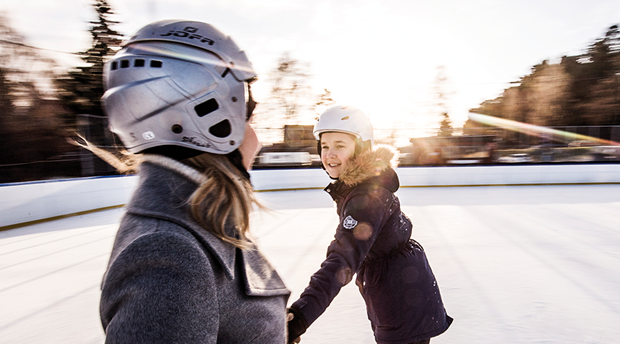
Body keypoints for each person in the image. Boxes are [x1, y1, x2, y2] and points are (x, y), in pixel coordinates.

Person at [94, 20, 291, 343]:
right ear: (210, 120)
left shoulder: (195, 224)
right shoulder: (168, 254)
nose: (257, 138)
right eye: (249, 118)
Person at [287, 106, 453, 344]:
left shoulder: (366, 198)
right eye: (325, 146)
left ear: (361, 147)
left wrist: (301, 315)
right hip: (400, 293)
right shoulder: (359, 186)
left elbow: (342, 261)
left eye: (340, 146)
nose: (330, 154)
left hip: (402, 301)